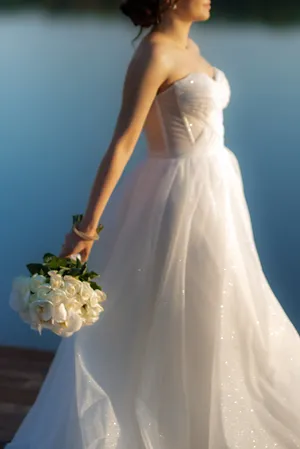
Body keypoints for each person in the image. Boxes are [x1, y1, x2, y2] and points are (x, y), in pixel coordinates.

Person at [6, 0, 300, 448]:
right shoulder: (154, 52)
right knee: (166, 306)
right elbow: (123, 143)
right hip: (178, 195)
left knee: (216, 302)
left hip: (218, 193)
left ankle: (197, 419)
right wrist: (87, 230)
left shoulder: (192, 47)